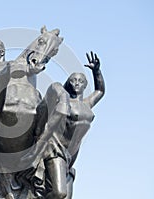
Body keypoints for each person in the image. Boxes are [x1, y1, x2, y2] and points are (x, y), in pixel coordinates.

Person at [44, 51, 105, 199]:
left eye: (80, 81)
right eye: (73, 80)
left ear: (85, 85)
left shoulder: (87, 104)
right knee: (59, 193)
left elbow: (100, 90)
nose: (77, 83)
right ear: (68, 84)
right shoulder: (63, 103)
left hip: (71, 157)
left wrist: (97, 71)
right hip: (56, 150)